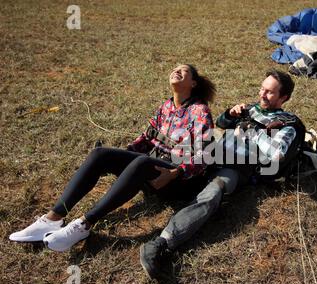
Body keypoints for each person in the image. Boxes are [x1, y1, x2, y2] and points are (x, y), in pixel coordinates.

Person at [9, 64, 216, 252]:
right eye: (175, 68)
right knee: (101, 154)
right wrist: (121, 157)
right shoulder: (166, 107)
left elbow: (205, 155)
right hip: (148, 171)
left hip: (174, 180)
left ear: (193, 83)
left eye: (184, 71)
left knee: (141, 162)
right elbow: (145, 138)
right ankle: (52, 219)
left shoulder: (200, 111)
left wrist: (175, 172)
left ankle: (83, 225)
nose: (177, 71)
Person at [140, 69, 305, 278]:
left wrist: (253, 131)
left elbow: (277, 153)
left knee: (211, 195)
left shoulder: (287, 123)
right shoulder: (250, 109)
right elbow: (220, 123)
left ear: (284, 98)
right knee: (181, 149)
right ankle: (144, 175)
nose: (262, 94)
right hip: (214, 152)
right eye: (262, 89)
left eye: (270, 92)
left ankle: (161, 243)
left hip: (236, 167)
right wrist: (230, 114)